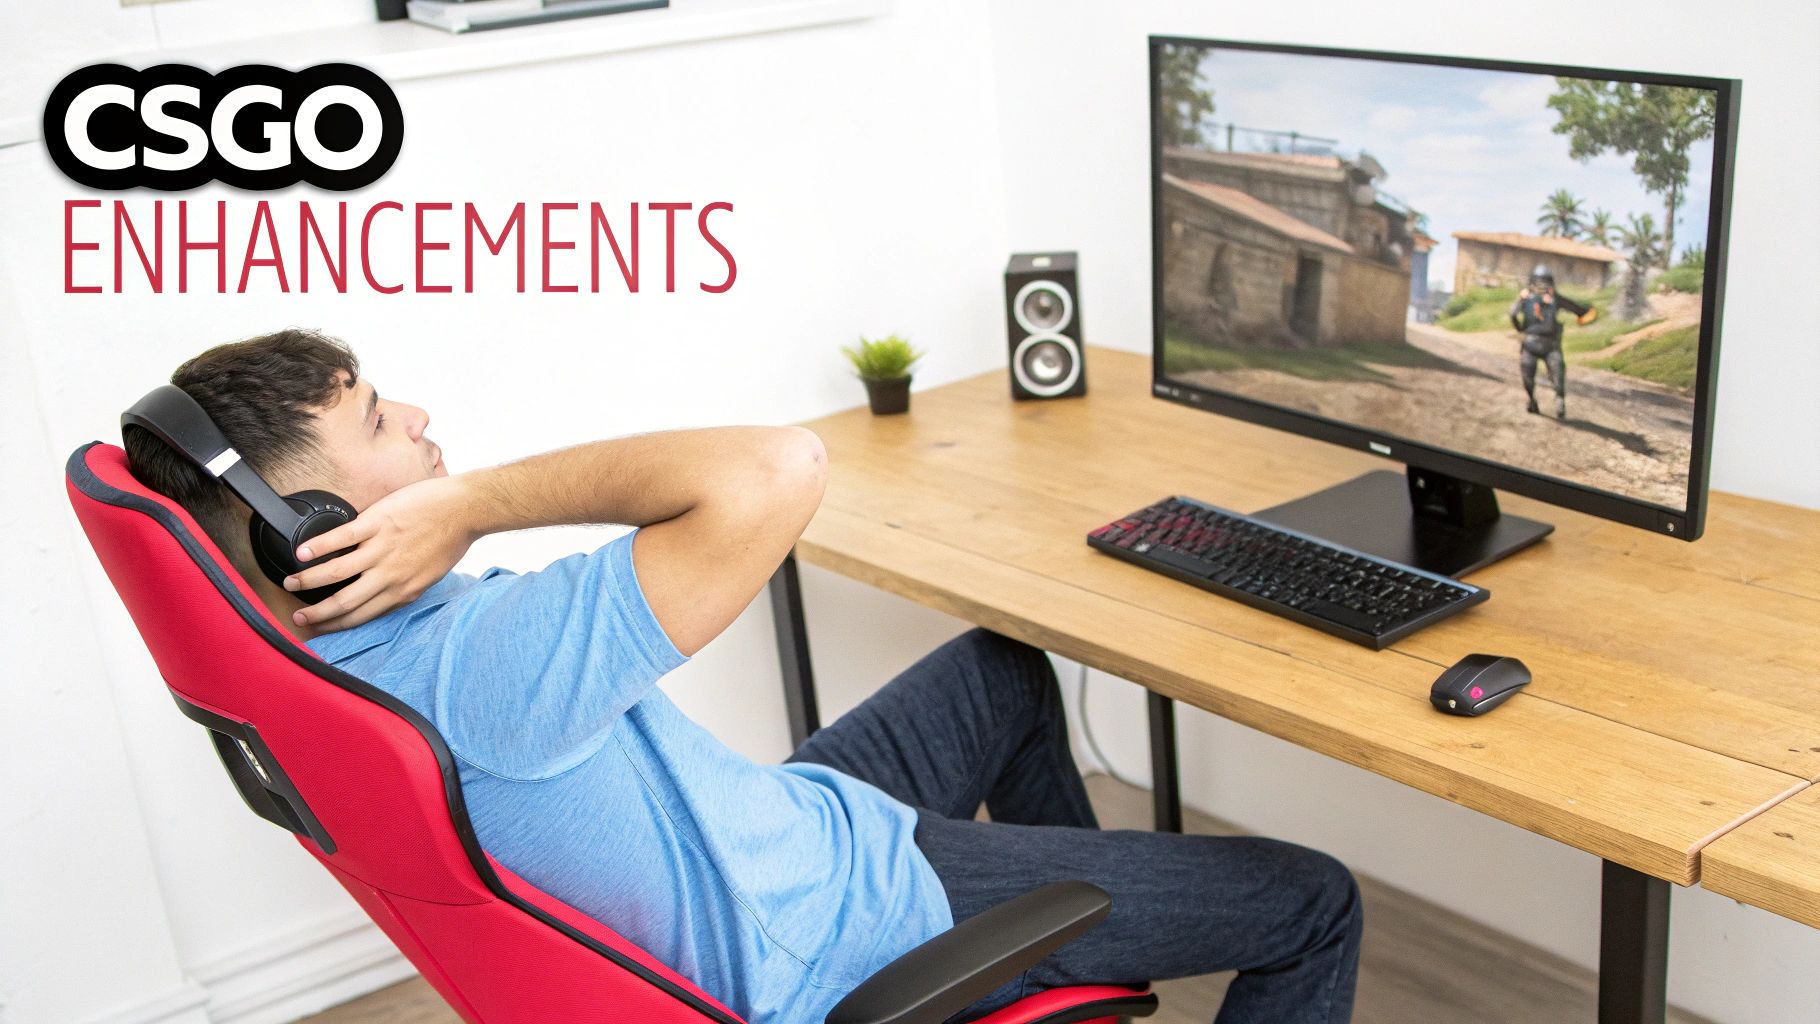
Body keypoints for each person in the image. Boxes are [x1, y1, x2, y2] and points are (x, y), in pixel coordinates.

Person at [124, 329, 1363, 1024]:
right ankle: (1042, 936)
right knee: (1313, 898)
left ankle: (1081, 950)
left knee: (1003, 667)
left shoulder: (319, 658)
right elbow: (773, 469)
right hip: (837, 917)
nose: (422, 421)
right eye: (382, 422)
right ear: (307, 519)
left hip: (766, 834)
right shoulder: (483, 672)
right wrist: (476, 505)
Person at [1508, 263, 1598, 420]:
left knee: (1558, 377)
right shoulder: (1525, 299)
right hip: (1530, 344)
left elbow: (1579, 309)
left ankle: (1560, 401)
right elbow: (1513, 314)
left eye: (1544, 282)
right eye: (1539, 282)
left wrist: (1589, 312)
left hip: (1551, 346)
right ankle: (1532, 401)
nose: (1541, 285)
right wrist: (1521, 329)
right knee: (1527, 377)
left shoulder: (1556, 299)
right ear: (1532, 282)